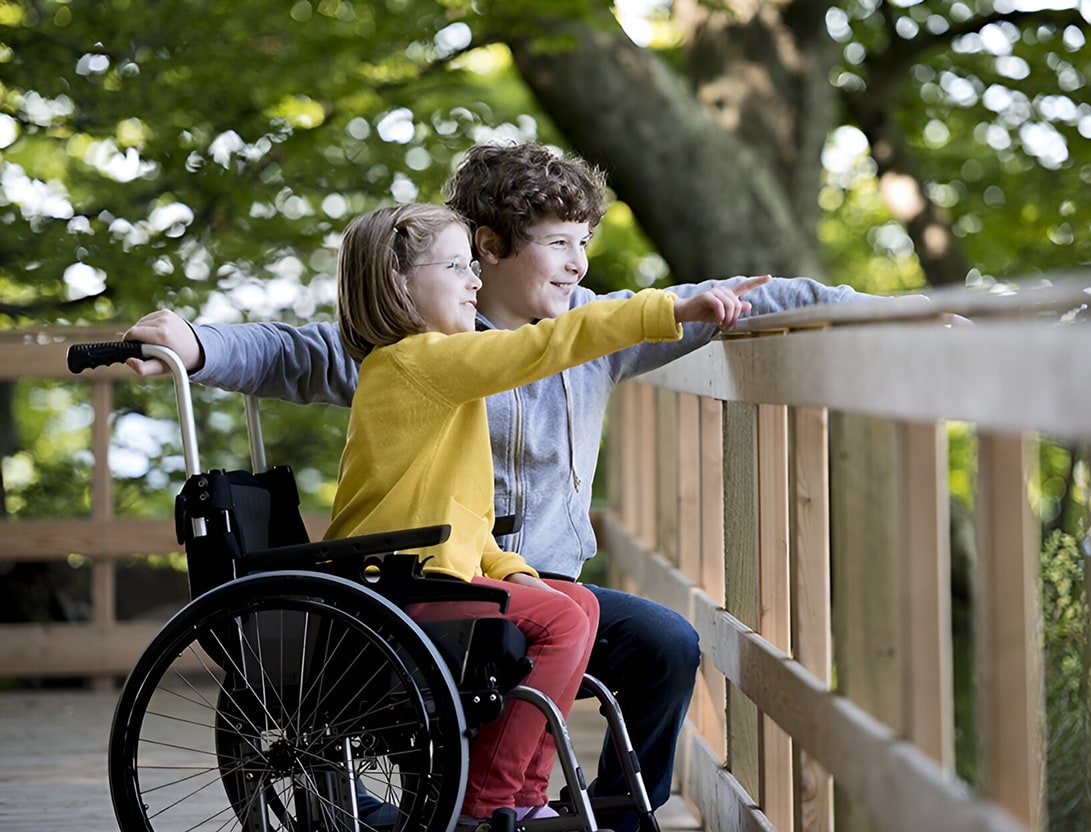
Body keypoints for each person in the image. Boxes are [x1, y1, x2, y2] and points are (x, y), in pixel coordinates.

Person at [124, 141, 882, 831]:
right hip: (424, 585)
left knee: (666, 642)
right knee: (518, 645)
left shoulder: (595, 329)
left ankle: (609, 814)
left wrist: (876, 312)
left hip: (519, 576)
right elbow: (287, 349)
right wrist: (198, 344)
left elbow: (739, 296)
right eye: (558, 243)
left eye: (585, 243)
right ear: (488, 249)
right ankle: (473, 806)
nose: (580, 263)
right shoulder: (410, 345)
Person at [319, 200, 764, 827]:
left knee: (572, 604)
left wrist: (513, 568)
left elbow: (460, 517)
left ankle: (524, 796)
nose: (474, 280)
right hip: (392, 590)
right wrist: (665, 310)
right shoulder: (414, 362)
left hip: (428, 574)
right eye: (456, 266)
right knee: (561, 618)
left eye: (473, 265)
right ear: (400, 284)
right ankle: (490, 799)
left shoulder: (438, 374)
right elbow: (547, 345)